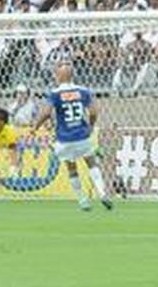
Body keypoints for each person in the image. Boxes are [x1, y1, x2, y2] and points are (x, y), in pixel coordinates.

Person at [33, 63, 113, 211]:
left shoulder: (55, 93)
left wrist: (35, 127)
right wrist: (90, 126)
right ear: (72, 75)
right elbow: (94, 112)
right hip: (82, 136)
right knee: (92, 163)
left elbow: (46, 113)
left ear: (58, 76)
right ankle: (102, 193)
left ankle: (82, 199)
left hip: (64, 139)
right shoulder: (83, 91)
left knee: (71, 168)